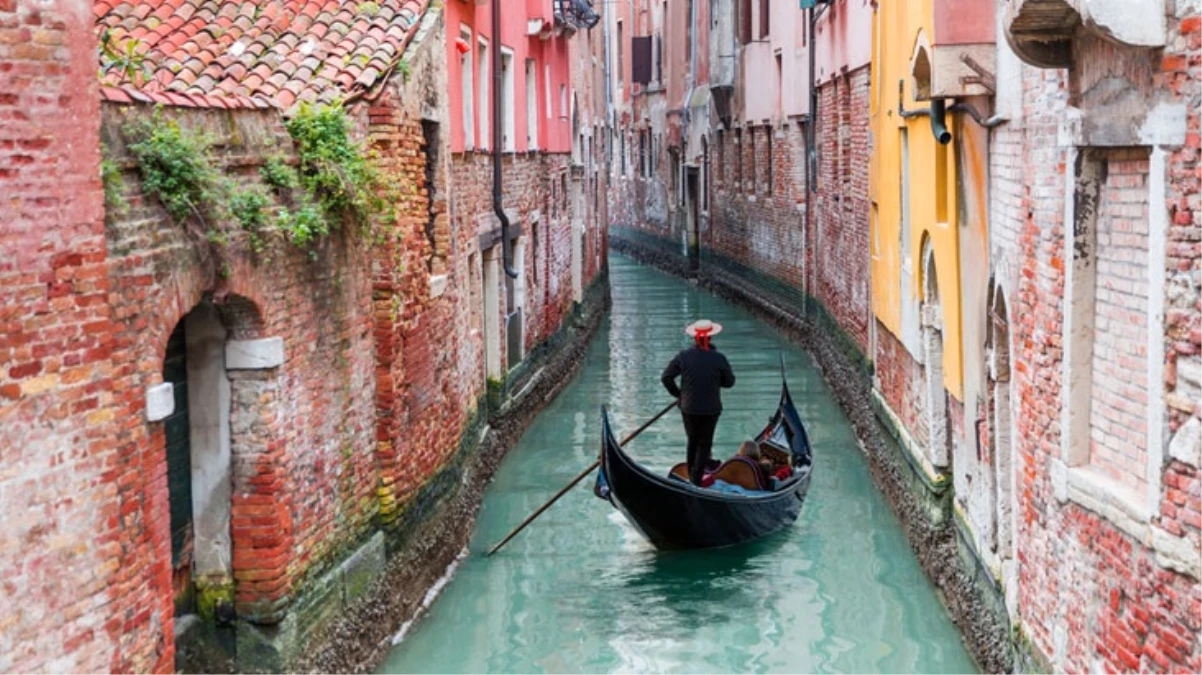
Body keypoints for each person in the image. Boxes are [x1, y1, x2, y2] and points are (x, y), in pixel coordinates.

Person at [661, 319, 736, 485]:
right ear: (710, 338)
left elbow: (666, 378)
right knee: (705, 444)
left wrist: (679, 395)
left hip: (689, 407)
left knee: (692, 442)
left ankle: (692, 476)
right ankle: (695, 481)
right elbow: (730, 382)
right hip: (711, 409)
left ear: (695, 338)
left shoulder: (683, 357)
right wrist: (716, 380)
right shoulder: (719, 358)